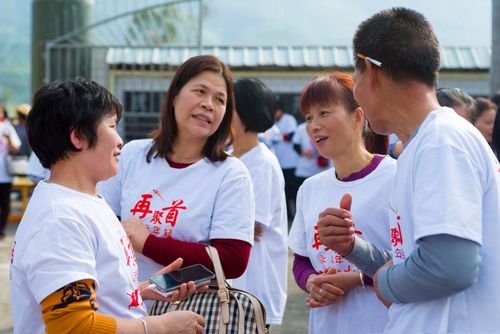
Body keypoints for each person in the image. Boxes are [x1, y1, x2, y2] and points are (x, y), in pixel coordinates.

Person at [317, 7, 500, 333]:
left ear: (371, 72)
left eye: (356, 78)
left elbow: (448, 267)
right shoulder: (423, 146)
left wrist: (385, 283)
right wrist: (352, 249)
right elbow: (410, 258)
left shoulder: (441, 141)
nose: (357, 92)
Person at [9, 78, 205, 334]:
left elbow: (91, 291)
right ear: (78, 136)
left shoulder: (86, 200)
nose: (120, 141)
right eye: (112, 126)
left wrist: (139, 291)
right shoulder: (61, 219)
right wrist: (160, 326)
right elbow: (72, 326)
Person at [98, 56, 255, 292]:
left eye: (219, 99)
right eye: (200, 91)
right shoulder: (132, 155)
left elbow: (233, 261)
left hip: (191, 313)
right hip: (125, 305)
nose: (208, 104)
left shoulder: (231, 174)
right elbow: (99, 224)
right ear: (174, 96)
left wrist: (150, 244)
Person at [288, 72, 394, 334]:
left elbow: (413, 262)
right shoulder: (310, 188)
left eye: (324, 113)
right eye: (309, 118)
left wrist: (358, 279)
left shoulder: (396, 177)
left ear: (358, 117)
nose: (313, 126)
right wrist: (312, 281)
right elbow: (300, 260)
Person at [229, 77, 288, 328]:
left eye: (226, 105)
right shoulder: (227, 157)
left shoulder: (262, 163)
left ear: (246, 113)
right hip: (232, 287)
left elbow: (252, 229)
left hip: (254, 287)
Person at [272, 100, 300, 219]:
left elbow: (291, 136)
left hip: (291, 162)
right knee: (284, 191)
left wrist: (277, 137)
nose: (274, 113)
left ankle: (298, 214)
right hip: (280, 162)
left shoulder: (289, 119)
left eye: (276, 111)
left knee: (294, 191)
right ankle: (289, 215)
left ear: (280, 110)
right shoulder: (274, 122)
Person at [0, 104, 20, 240]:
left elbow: (16, 150)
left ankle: (1, 230)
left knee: (4, 203)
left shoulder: (8, 127)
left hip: (4, 173)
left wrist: (7, 139)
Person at [292, 122, 330, 186]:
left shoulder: (326, 126)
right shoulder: (301, 128)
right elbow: (295, 146)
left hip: (322, 170)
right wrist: (303, 153)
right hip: (304, 170)